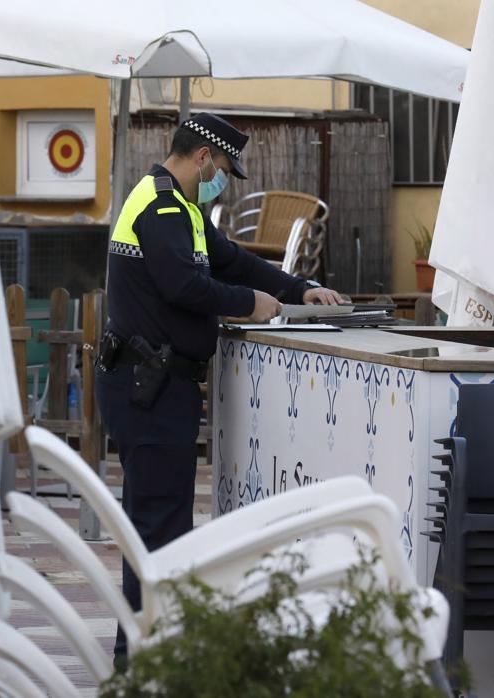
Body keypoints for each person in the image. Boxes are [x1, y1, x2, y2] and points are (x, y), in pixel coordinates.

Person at [95, 113, 345, 661]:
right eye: (224, 171)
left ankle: (138, 659)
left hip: (156, 386)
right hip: (150, 388)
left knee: (155, 532)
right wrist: (246, 305)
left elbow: (231, 260)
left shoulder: (178, 207)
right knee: (160, 534)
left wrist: (300, 289)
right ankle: (144, 667)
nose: (222, 183)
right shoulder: (161, 208)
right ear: (204, 156)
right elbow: (183, 285)